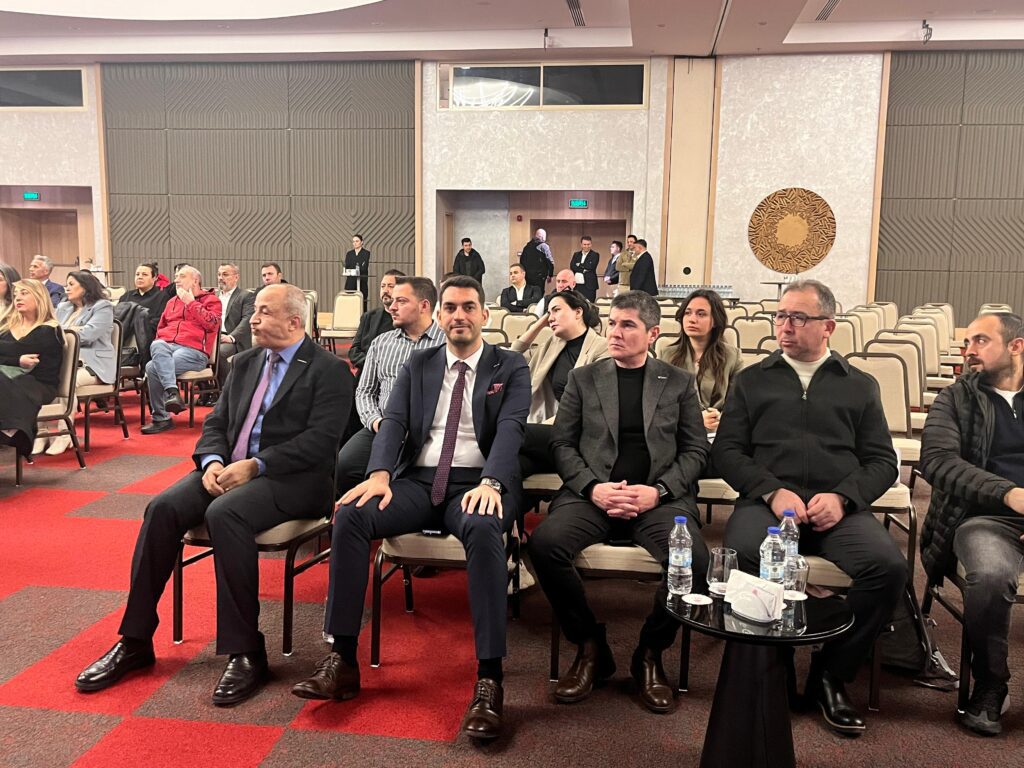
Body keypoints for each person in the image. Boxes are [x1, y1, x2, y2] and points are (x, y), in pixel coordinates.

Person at [75, 284, 353, 706]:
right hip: (226, 470)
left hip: (294, 480)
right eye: (255, 310)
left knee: (226, 514)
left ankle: (246, 650)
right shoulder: (244, 362)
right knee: (162, 508)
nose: (253, 318)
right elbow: (216, 422)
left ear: (294, 321)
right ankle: (135, 640)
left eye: (264, 311)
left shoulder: (329, 369)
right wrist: (212, 462)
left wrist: (256, 465)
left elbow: (321, 442)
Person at [291, 276, 530, 742]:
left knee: (485, 528)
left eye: (468, 307)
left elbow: (512, 428)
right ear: (438, 315)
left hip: (478, 482)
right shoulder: (420, 363)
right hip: (419, 480)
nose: (459, 315)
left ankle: (489, 678)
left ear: (484, 315)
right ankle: (342, 658)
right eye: (450, 308)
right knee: (352, 514)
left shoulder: (509, 365)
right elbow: (395, 421)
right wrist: (379, 474)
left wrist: (493, 482)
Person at [712, 279, 905, 736]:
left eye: (798, 317)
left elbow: (883, 461)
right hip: (768, 508)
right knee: (744, 556)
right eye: (781, 316)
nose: (785, 326)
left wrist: (844, 497)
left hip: (837, 511)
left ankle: (831, 674)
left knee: (888, 569)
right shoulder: (751, 380)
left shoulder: (858, 385)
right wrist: (770, 490)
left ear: (828, 327)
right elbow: (727, 451)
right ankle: (772, 666)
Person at [530, 290, 710, 714]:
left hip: (657, 499)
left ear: (653, 334)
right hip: (592, 496)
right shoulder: (584, 379)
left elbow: (696, 451)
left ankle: (650, 652)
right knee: (544, 545)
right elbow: (561, 444)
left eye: (627, 325)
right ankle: (590, 645)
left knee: (694, 561)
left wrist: (658, 491)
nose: (615, 332)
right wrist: (593, 488)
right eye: (612, 323)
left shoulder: (678, 382)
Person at [919, 312, 1024, 736]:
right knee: (991, 575)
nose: (969, 350)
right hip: (983, 519)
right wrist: (1008, 493)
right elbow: (938, 462)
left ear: (1016, 346)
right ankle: (991, 684)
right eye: (967, 342)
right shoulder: (955, 398)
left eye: (981, 340)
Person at [336, 276, 444, 495]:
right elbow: (365, 391)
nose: (392, 307)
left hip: (430, 432)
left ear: (424, 306)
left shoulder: (447, 344)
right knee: (344, 467)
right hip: (382, 427)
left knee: (418, 477)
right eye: (392, 300)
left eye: (401, 301)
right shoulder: (381, 342)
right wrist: (376, 421)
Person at [511, 290, 609, 476]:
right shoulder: (554, 343)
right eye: (548, 313)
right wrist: (540, 323)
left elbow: (591, 404)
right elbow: (513, 355)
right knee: (514, 464)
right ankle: (491, 492)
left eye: (556, 310)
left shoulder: (602, 347)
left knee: (510, 433)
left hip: (581, 430)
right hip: (550, 430)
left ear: (578, 312)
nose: (551, 318)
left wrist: (546, 426)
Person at [141, 266, 221, 435]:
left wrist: (191, 303)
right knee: (157, 344)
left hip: (194, 351)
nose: (176, 280)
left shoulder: (211, 300)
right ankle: (173, 392)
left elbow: (212, 324)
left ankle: (161, 418)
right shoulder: (171, 302)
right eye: (176, 276)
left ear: (195, 280)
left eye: (182, 276)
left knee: (152, 368)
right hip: (167, 348)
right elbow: (160, 329)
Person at [42, 271, 115, 455]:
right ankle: (41, 433)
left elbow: (88, 335)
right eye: (66, 284)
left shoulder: (102, 306)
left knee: (68, 382)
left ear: (85, 287)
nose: (66, 288)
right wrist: (73, 329)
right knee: (38, 378)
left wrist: (66, 331)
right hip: (65, 362)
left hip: (93, 365)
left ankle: (64, 434)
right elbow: (50, 332)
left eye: (71, 284)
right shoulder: (63, 307)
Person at [658, 289, 743, 432]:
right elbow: (660, 406)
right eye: (687, 313)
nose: (692, 319)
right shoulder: (667, 355)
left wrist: (720, 418)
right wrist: (695, 419)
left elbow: (739, 404)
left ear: (715, 320)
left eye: (701, 314)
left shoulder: (732, 356)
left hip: (718, 431)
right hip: (679, 433)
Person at [0, 279, 65, 457]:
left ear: (39, 297)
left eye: (24, 293)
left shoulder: (49, 329)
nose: (17, 298)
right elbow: (16, 353)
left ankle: (14, 431)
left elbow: (18, 348)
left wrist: (12, 357)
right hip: (11, 380)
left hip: (39, 385)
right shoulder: (7, 327)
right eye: (15, 295)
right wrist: (17, 360)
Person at [211, 263, 256, 397]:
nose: (221, 278)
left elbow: (247, 319)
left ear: (236, 277)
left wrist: (231, 337)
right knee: (196, 352)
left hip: (233, 340)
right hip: (213, 338)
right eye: (219, 274)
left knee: (219, 353)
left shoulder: (245, 296)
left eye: (225, 274)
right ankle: (207, 390)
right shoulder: (213, 295)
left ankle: (225, 391)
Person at [348, 270, 405, 373]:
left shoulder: (407, 319)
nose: (385, 290)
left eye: (390, 286)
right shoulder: (369, 317)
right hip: (366, 371)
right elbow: (354, 351)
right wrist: (371, 365)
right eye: (383, 286)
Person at [119, 263, 171, 337]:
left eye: (144, 274)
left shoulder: (162, 296)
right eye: (137, 274)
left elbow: (160, 321)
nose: (140, 277)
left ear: (155, 278)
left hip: (149, 337)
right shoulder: (126, 296)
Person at [520, 228, 554, 293]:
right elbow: (550, 261)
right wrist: (550, 275)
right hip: (540, 277)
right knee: (539, 293)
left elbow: (521, 261)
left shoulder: (526, 247)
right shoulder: (544, 246)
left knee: (529, 293)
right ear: (543, 237)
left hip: (527, 276)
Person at [344, 234, 371, 309]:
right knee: (349, 303)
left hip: (362, 281)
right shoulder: (349, 254)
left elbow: (364, 268)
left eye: (357, 241)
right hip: (350, 282)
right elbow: (347, 267)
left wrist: (355, 268)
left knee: (362, 302)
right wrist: (356, 267)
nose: (355, 243)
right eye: (353, 241)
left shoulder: (366, 253)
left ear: (362, 242)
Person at [569, 235, 600, 302]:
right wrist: (583, 269)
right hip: (577, 285)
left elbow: (591, 267)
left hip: (589, 285)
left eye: (588, 244)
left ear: (591, 244)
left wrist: (579, 265)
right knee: (577, 302)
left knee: (589, 303)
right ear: (581, 245)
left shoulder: (595, 255)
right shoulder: (576, 254)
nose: (586, 246)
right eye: (584, 244)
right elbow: (572, 266)